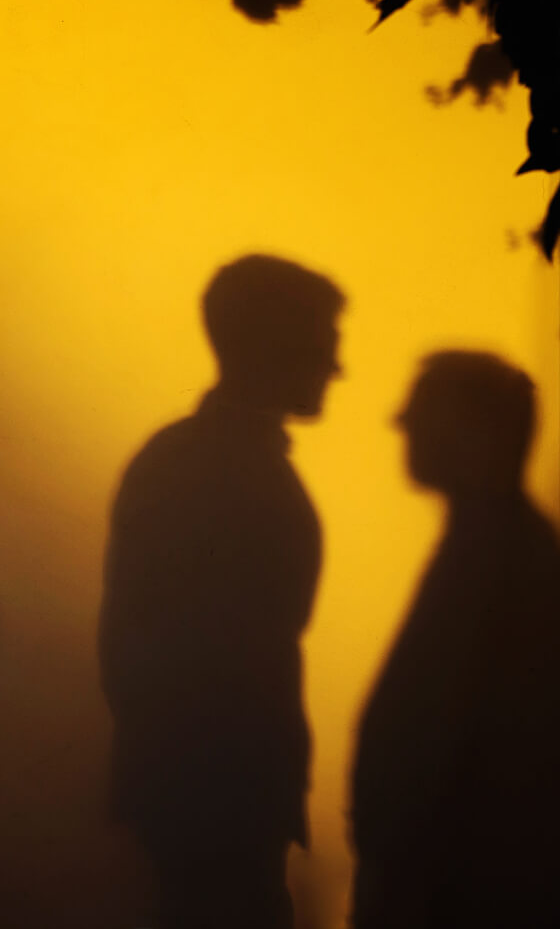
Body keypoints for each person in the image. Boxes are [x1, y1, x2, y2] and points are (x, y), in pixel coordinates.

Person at [98, 254, 345, 929]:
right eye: (327, 343)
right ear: (278, 345)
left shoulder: (184, 460)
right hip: (220, 806)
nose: (338, 366)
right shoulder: (222, 473)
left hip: (206, 801)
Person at [351, 352, 560, 927]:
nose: (400, 420)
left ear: (477, 434)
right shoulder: (492, 550)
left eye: (422, 409)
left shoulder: (503, 565)